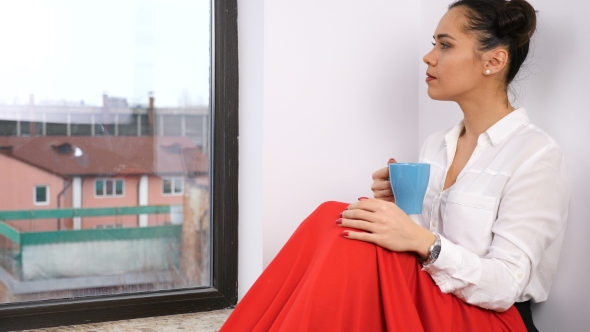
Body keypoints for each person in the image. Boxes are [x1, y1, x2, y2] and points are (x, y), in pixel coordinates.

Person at [220, 0, 569, 331]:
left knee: (342, 228)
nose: (428, 57)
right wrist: (395, 213)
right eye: (434, 44)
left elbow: (506, 285)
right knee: (333, 217)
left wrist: (424, 241)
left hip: (489, 318)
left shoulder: (535, 155)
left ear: (493, 60)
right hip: (430, 296)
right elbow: (413, 247)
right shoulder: (436, 145)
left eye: (445, 45)